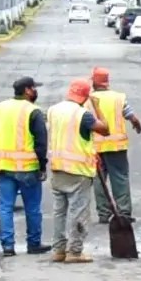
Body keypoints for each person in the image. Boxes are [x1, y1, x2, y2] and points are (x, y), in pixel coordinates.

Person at [47, 79, 110, 263]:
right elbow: (105, 130)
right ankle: (74, 251)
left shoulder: (53, 110)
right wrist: (97, 107)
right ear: (85, 97)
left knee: (60, 211)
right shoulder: (83, 114)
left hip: (58, 168)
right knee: (78, 212)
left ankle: (59, 249)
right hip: (78, 171)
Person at [0, 76, 52, 257]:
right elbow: (41, 143)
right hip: (28, 168)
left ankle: (8, 246)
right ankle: (33, 244)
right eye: (34, 88)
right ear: (27, 91)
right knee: (32, 208)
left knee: (6, 207)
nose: (36, 91)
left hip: (3, 168)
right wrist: (42, 166)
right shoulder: (33, 111)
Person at [87, 67, 141, 223]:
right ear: (107, 81)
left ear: (94, 82)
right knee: (120, 179)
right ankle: (124, 212)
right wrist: (137, 125)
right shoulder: (118, 98)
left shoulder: (87, 100)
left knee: (99, 180)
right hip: (116, 147)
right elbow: (131, 116)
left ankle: (104, 214)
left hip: (95, 148)